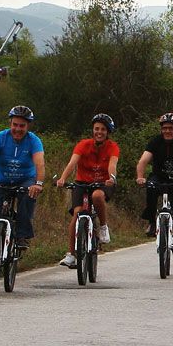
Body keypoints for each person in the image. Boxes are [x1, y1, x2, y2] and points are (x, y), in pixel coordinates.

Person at [0, 105, 45, 278]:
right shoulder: (0, 137)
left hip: (25, 180)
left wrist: (38, 183)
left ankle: (22, 235)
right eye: (15, 125)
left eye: (22, 126)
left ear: (28, 127)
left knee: (28, 195)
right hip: (2, 181)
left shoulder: (34, 141)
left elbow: (39, 164)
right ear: (10, 123)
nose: (18, 129)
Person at [54, 114, 119, 268]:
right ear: (92, 130)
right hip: (82, 183)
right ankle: (71, 254)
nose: (99, 132)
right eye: (96, 129)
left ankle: (103, 227)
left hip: (103, 183)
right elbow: (72, 163)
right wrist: (62, 178)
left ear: (108, 132)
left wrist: (112, 177)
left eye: (103, 129)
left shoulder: (112, 147)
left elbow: (112, 164)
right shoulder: (83, 144)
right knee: (77, 214)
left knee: (97, 196)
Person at [135, 113, 173, 264]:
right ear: (161, 129)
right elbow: (143, 160)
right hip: (159, 178)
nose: (167, 131)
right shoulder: (155, 142)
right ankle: (151, 222)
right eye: (165, 128)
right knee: (150, 187)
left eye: (171, 128)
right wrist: (140, 176)